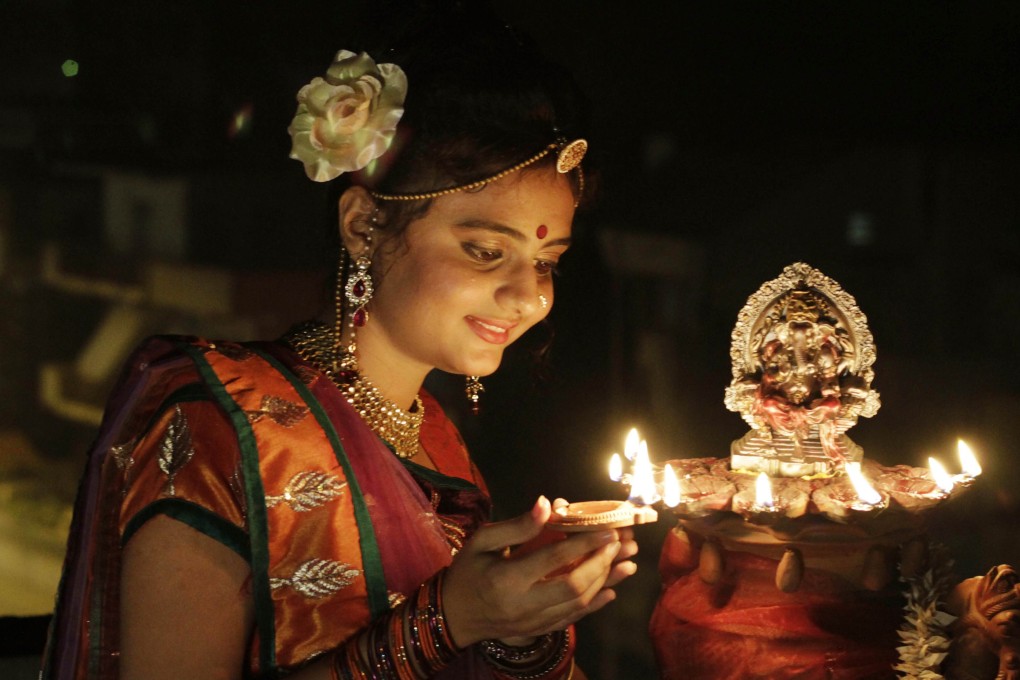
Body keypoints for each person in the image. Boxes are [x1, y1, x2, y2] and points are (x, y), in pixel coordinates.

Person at [41, 5, 638, 679]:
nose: (527, 294)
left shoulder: (437, 443)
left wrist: (524, 629)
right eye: (482, 251)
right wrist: (450, 622)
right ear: (363, 227)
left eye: (547, 262)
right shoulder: (222, 425)